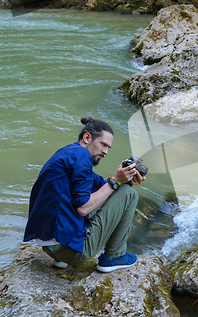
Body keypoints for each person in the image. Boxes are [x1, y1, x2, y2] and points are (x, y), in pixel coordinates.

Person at [23, 116, 146, 272]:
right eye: (103, 145)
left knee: (120, 189)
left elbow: (100, 185)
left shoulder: (68, 152)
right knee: (129, 194)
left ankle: (60, 259)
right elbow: (83, 208)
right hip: (70, 251)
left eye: (108, 147)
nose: (106, 152)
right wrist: (117, 182)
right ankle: (114, 256)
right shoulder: (82, 157)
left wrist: (124, 178)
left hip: (48, 243)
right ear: (87, 137)